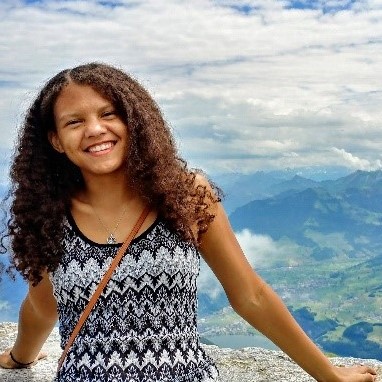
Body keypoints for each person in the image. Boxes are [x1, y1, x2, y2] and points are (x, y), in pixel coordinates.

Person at [0, 62, 377, 382]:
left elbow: (250, 295)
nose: (95, 129)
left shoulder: (184, 195)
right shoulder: (47, 215)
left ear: (134, 120)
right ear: (55, 140)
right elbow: (42, 306)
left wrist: (328, 373)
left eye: (108, 113)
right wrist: (20, 358)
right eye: (74, 121)